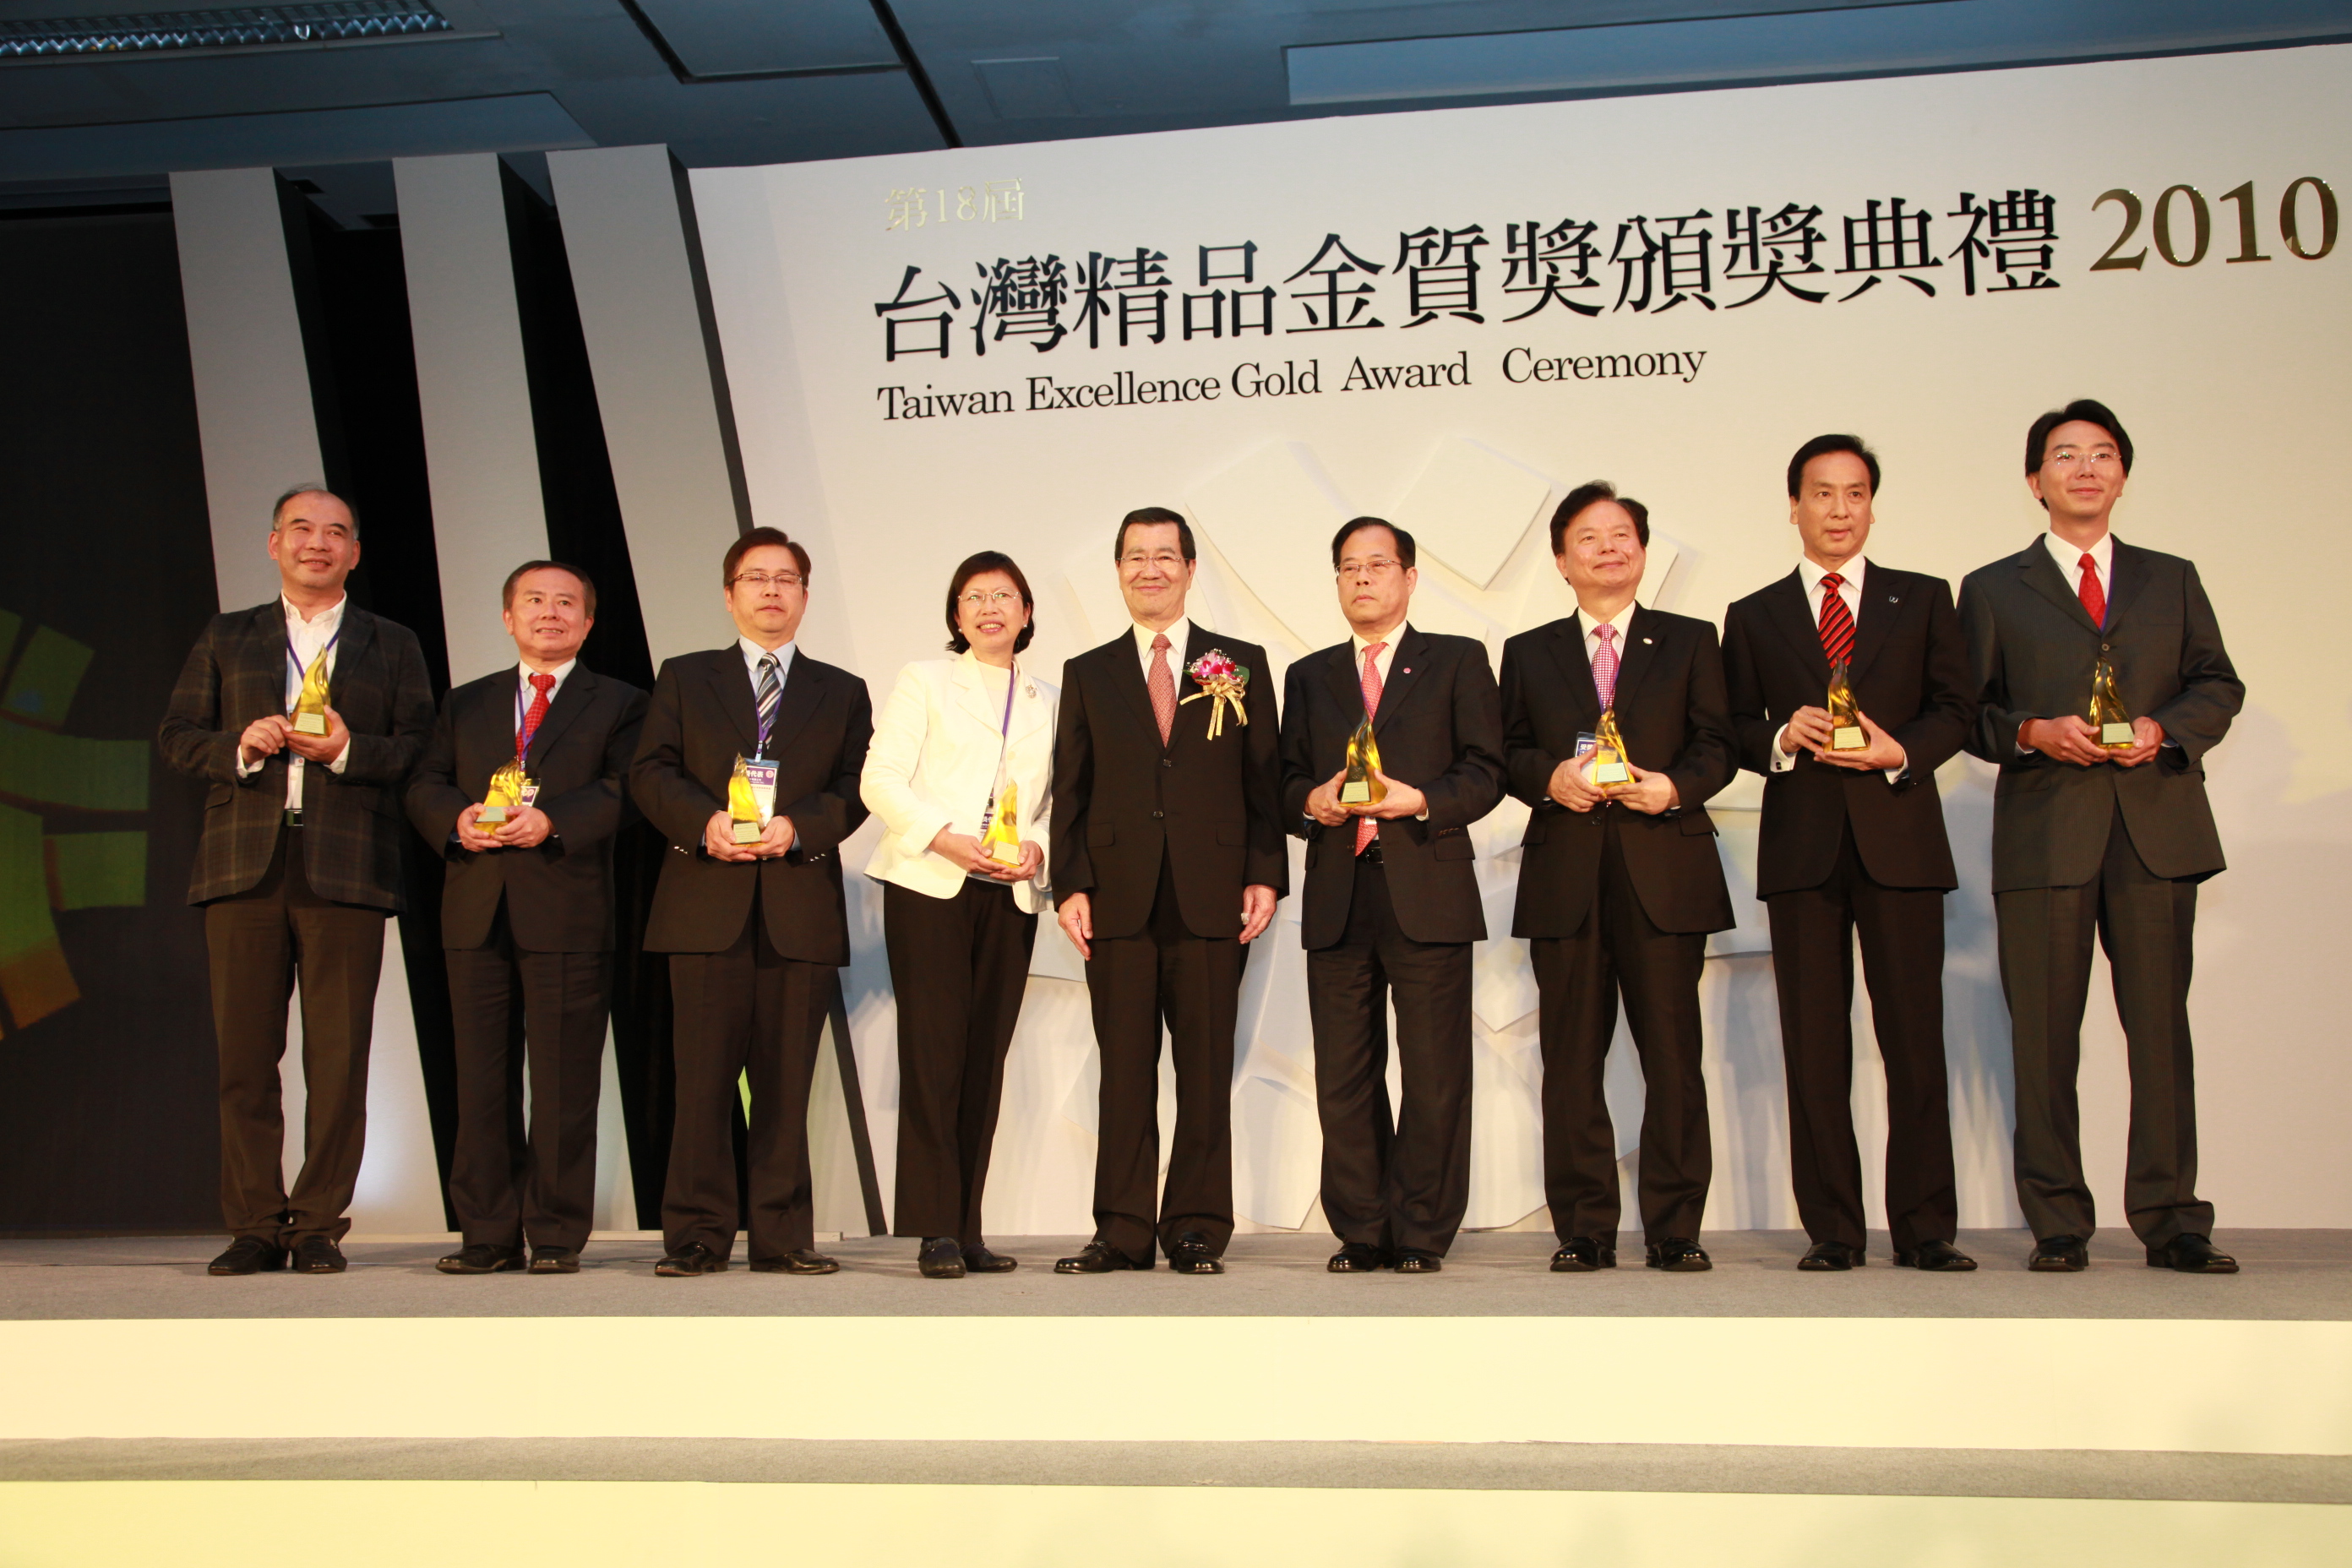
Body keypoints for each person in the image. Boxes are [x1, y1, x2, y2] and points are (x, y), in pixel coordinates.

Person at [1958, 400, 2243, 1274]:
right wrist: (2035, 732)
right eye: (2065, 455)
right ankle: (2057, 1219)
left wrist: (2165, 728)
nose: (2086, 468)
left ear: (2123, 473)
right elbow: (1968, 710)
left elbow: (2217, 684)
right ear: (2034, 480)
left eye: (2103, 454)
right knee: (2044, 1033)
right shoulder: (1994, 586)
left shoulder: (2173, 576)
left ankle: (2173, 1216)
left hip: (2156, 826)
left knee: (2160, 1029)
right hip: (2048, 830)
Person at [158, 486, 433, 1276]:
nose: (319, 543)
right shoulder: (228, 635)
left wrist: (347, 750)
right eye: (302, 529)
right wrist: (239, 746)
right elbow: (177, 736)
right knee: (246, 1059)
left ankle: (316, 1223)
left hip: (345, 867)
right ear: (274, 543)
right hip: (243, 866)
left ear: (354, 552)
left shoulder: (392, 642)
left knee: (340, 1062)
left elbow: (419, 747)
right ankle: (252, 1223)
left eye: (337, 532)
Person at [1723, 436, 1977, 1273]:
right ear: (1792, 505)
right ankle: (1834, 1227)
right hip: (1803, 849)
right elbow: (1727, 726)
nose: (1839, 509)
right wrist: (1779, 738)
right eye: (1822, 493)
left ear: (1873, 504)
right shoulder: (1755, 614)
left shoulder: (1923, 597)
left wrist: (1898, 749)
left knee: (1914, 1041)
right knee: (1815, 1044)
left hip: (1900, 839)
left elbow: (1958, 708)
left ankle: (1925, 1226)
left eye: (1855, 493)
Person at [1500, 482, 1737, 1274]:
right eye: (1589, 538)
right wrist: (1551, 778)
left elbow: (1718, 745)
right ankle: (1585, 1228)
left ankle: (1675, 1228)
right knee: (1571, 1061)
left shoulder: (1691, 639)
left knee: (1673, 1056)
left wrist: (1672, 787)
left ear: (1643, 550)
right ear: (1563, 560)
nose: (1608, 548)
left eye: (1623, 535)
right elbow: (1505, 752)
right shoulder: (1529, 651)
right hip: (1567, 876)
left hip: (1664, 872)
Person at [628, 526, 872, 1277]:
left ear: (804, 594)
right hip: (706, 903)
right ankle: (698, 1236)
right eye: (755, 578)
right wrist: (705, 825)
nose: (771, 591)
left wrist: (798, 828)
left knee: (785, 1084)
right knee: (700, 1082)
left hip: (796, 906)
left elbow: (856, 788)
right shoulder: (685, 676)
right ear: (730, 593)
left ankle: (781, 1236)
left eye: (786, 579)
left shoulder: (842, 689)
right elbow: (650, 771)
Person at [1048, 507, 1285, 1275]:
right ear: (1117, 570)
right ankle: (1120, 1229)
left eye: (1165, 556)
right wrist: (1071, 885)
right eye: (1135, 557)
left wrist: (1264, 872)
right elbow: (1072, 790)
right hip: (1115, 899)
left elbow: (1261, 783)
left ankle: (1194, 1229)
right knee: (1124, 1072)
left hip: (1212, 893)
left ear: (1189, 568)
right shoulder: (1088, 672)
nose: (1150, 569)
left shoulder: (1239, 661)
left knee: (1206, 1068)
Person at [404, 561, 646, 1276]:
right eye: (534, 601)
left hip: (567, 908)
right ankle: (486, 1232)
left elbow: (631, 786)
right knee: (479, 1079)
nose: (550, 613)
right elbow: (423, 781)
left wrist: (554, 821)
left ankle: (555, 1234)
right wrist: (455, 820)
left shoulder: (622, 703)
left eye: (566, 602)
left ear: (588, 621)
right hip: (475, 907)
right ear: (508, 618)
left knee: (567, 1080)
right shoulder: (466, 702)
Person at [1280, 518, 1503, 1273]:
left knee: (1435, 1071)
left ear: (1410, 578)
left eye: (1379, 565)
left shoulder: (1457, 661)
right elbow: (1280, 784)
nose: (1363, 579)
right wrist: (1311, 801)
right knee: (1345, 1073)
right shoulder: (1309, 676)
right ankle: (1361, 1227)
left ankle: (1421, 1229)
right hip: (1340, 891)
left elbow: (1486, 771)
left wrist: (1421, 801)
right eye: (1349, 567)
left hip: (1426, 884)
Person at [860, 552, 1056, 1279]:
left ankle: (968, 1226)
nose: (989, 608)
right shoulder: (925, 680)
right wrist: (945, 837)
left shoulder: (1050, 697)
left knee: (984, 1058)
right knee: (934, 1055)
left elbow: (1063, 799)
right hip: (931, 880)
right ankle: (933, 1228)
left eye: (1003, 596)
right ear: (956, 616)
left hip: (1007, 888)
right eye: (973, 597)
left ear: (1027, 613)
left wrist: (1037, 849)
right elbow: (879, 779)